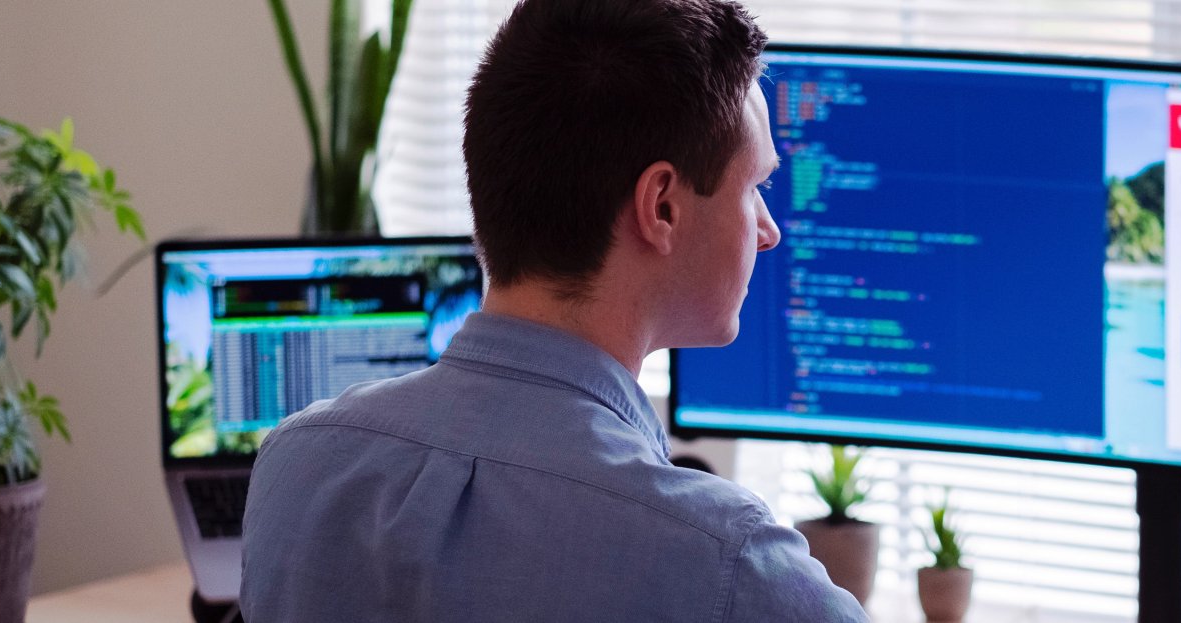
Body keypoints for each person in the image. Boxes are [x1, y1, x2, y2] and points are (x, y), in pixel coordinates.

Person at [239, 0, 868, 620]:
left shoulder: (297, 466)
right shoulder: (727, 564)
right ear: (663, 208)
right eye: (753, 187)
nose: (768, 229)